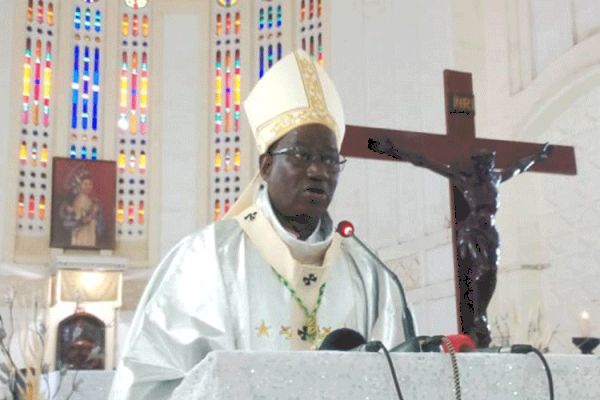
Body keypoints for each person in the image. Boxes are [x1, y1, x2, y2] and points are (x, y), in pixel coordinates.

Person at [109, 50, 412, 400]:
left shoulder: (368, 272)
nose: (318, 170)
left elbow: (402, 377)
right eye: (302, 156)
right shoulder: (206, 260)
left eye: (330, 159)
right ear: (266, 167)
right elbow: (152, 384)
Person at [368, 137, 550, 347]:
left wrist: (538, 156)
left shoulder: (495, 179)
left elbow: (519, 167)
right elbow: (424, 161)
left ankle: (481, 315)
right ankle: (477, 318)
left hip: (490, 231)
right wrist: (393, 150)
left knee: (491, 272)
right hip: (472, 231)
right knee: (479, 269)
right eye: (481, 164)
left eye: (488, 163)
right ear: (475, 165)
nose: (485, 167)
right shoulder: (465, 180)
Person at [59, 169, 103, 247]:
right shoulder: (80, 199)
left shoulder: (88, 199)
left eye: (90, 184)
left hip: (89, 233)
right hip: (82, 235)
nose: (88, 187)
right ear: (80, 186)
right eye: (85, 184)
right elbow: (80, 221)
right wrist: (93, 212)